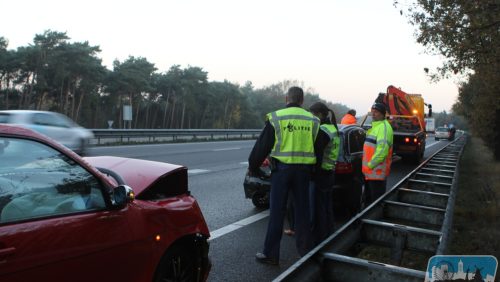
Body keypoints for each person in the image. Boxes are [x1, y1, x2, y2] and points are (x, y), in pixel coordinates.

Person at [248, 86, 319, 265]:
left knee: (277, 212)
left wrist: (253, 167)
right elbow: (317, 149)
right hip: (303, 172)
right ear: (302, 100)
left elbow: (262, 146)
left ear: (286, 98)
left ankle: (271, 254)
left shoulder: (276, 117)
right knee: (303, 211)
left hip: (282, 171)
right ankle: (306, 253)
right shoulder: (313, 120)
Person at [309, 102, 340, 245]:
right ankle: (329, 236)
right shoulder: (333, 127)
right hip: (330, 172)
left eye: (313, 114)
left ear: (320, 114)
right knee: (327, 206)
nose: (311, 117)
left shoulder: (323, 130)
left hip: (321, 174)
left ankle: (317, 240)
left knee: (317, 208)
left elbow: (318, 154)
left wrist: (312, 172)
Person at [362, 103, 393, 206]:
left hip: (376, 173)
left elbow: (382, 151)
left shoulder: (384, 127)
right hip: (371, 173)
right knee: (369, 203)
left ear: (383, 114)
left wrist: (369, 165)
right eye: (373, 112)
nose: (373, 114)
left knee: (375, 205)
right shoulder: (376, 127)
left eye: (376, 112)